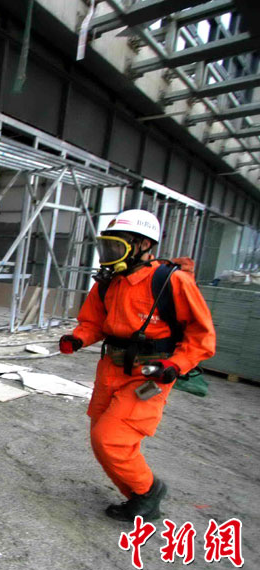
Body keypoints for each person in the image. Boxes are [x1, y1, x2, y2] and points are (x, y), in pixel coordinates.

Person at [59, 209, 215, 521]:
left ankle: (148, 492)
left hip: (149, 376)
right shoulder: (108, 283)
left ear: (144, 245)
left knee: (111, 439)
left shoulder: (171, 282)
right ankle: (136, 495)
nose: (109, 253)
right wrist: (78, 338)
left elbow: (202, 336)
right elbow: (93, 322)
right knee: (101, 439)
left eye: (117, 246)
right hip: (110, 370)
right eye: (107, 246)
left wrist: (176, 364)